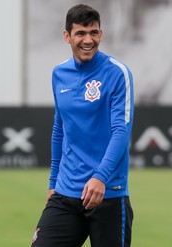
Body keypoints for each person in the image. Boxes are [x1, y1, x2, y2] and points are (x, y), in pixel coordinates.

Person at [32, 4, 134, 247]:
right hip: (66, 193)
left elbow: (122, 131)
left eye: (94, 33)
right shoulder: (59, 74)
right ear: (67, 36)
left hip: (108, 192)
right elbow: (60, 129)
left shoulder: (118, 73)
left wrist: (101, 177)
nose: (88, 40)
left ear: (101, 34)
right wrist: (52, 183)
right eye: (80, 33)